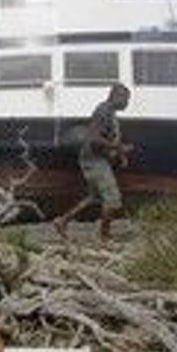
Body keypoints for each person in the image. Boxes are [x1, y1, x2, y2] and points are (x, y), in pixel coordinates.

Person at [54, 83, 133, 243]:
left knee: (94, 197)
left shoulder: (110, 113)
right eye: (126, 99)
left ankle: (62, 221)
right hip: (94, 160)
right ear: (116, 96)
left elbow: (108, 138)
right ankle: (104, 237)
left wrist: (120, 154)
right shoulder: (103, 111)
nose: (127, 103)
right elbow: (93, 139)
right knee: (112, 199)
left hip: (96, 160)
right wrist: (118, 147)